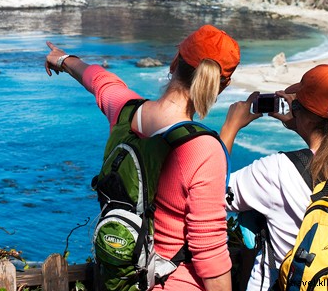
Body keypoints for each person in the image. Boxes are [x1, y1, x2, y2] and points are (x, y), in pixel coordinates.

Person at [45, 24, 240, 291]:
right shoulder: (203, 148)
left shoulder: (125, 112)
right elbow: (210, 251)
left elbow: (100, 80)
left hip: (122, 280)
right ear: (220, 87)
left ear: (174, 62)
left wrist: (63, 60)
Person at [220, 64, 328, 291]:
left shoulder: (277, 171)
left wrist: (230, 127)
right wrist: (301, 126)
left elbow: (213, 192)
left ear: (304, 115)